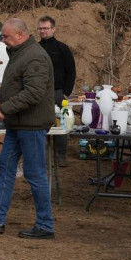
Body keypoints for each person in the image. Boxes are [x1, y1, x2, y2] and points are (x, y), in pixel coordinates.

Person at [0, 18, 56, 239]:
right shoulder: (20, 54)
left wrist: (5, 108)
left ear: (20, 34)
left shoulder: (34, 56)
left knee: (35, 174)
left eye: (6, 36)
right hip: (19, 124)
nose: (3, 40)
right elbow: (19, 85)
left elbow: (34, 92)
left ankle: (45, 225)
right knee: (5, 167)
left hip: (31, 125)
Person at [37, 15, 76, 167]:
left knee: (60, 125)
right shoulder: (35, 48)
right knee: (40, 124)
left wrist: (66, 92)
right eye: (40, 28)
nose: (43, 31)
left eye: (46, 28)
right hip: (39, 93)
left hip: (58, 92)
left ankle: (60, 156)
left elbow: (71, 71)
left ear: (53, 29)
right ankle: (43, 157)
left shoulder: (62, 49)